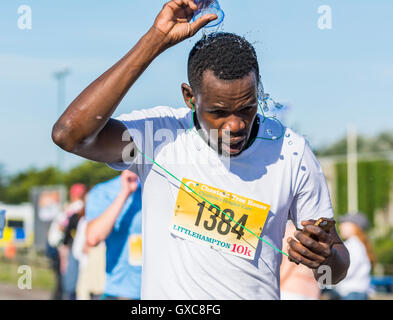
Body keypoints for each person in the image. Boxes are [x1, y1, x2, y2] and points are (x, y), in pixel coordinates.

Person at [52, 0, 350, 299]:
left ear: (258, 92)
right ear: (190, 97)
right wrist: (156, 38)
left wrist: (325, 257)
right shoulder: (160, 136)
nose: (234, 126)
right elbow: (69, 135)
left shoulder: (292, 152)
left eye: (247, 108)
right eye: (218, 112)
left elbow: (335, 270)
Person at [85, 170, 142, 300]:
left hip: (165, 291)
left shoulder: (167, 184)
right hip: (121, 292)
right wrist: (125, 193)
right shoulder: (104, 191)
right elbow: (93, 237)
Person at [333, 212, 374, 300]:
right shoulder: (358, 244)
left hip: (352, 294)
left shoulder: (353, 245)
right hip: (354, 293)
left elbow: (346, 271)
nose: (340, 226)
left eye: (344, 223)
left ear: (355, 226)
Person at [280, 221, 321, 300]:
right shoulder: (317, 234)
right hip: (313, 292)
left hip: (290, 290)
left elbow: (286, 265)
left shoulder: (290, 232)